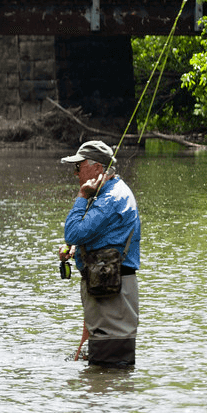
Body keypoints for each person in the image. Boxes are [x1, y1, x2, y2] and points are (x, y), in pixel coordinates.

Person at [59, 140, 141, 368]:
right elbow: (103, 238)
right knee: (103, 374)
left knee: (111, 370)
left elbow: (73, 232)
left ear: (97, 168)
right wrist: (78, 252)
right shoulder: (110, 194)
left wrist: (82, 196)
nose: (75, 173)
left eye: (79, 167)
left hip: (113, 295)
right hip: (108, 291)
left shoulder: (109, 198)